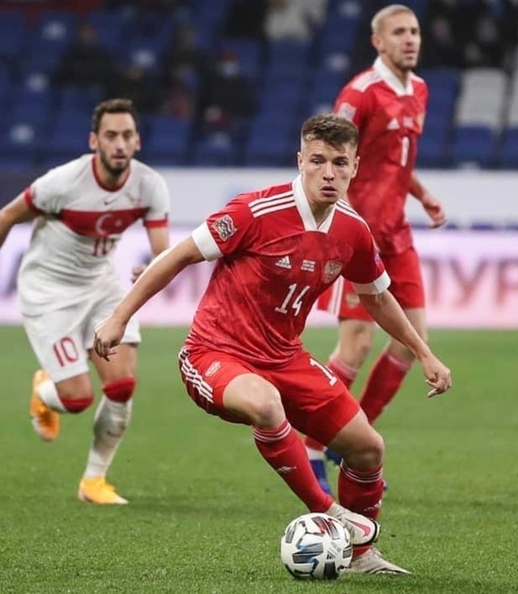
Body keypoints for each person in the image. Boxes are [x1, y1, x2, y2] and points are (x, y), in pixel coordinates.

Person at [94, 113, 452, 574]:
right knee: (265, 403)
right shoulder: (255, 212)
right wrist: (119, 318)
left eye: (339, 163)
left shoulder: (353, 230)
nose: (328, 173)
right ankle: (331, 513)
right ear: (300, 161)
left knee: (368, 447)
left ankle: (362, 556)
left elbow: (378, 298)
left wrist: (424, 352)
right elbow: (179, 255)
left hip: (285, 358)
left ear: (355, 167)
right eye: (317, 161)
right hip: (214, 353)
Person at [0, 98, 171, 503]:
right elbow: (7, 216)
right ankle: (44, 391)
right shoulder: (62, 183)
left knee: (123, 384)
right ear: (94, 141)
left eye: (127, 135)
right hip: (49, 290)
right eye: (111, 135)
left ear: (138, 141)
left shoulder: (149, 186)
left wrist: (150, 268)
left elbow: (162, 252)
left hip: (101, 284)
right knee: (76, 398)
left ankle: (94, 481)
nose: (120, 144)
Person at [307, 4, 446, 491]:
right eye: (399, 32)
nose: (410, 39)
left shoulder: (420, 90)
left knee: (412, 343)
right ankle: (312, 444)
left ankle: (352, 437)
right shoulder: (360, 93)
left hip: (397, 234)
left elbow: (396, 162)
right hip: (359, 235)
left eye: (415, 31)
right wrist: (344, 222)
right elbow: (332, 158)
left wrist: (422, 195)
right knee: (357, 345)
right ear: (378, 42)